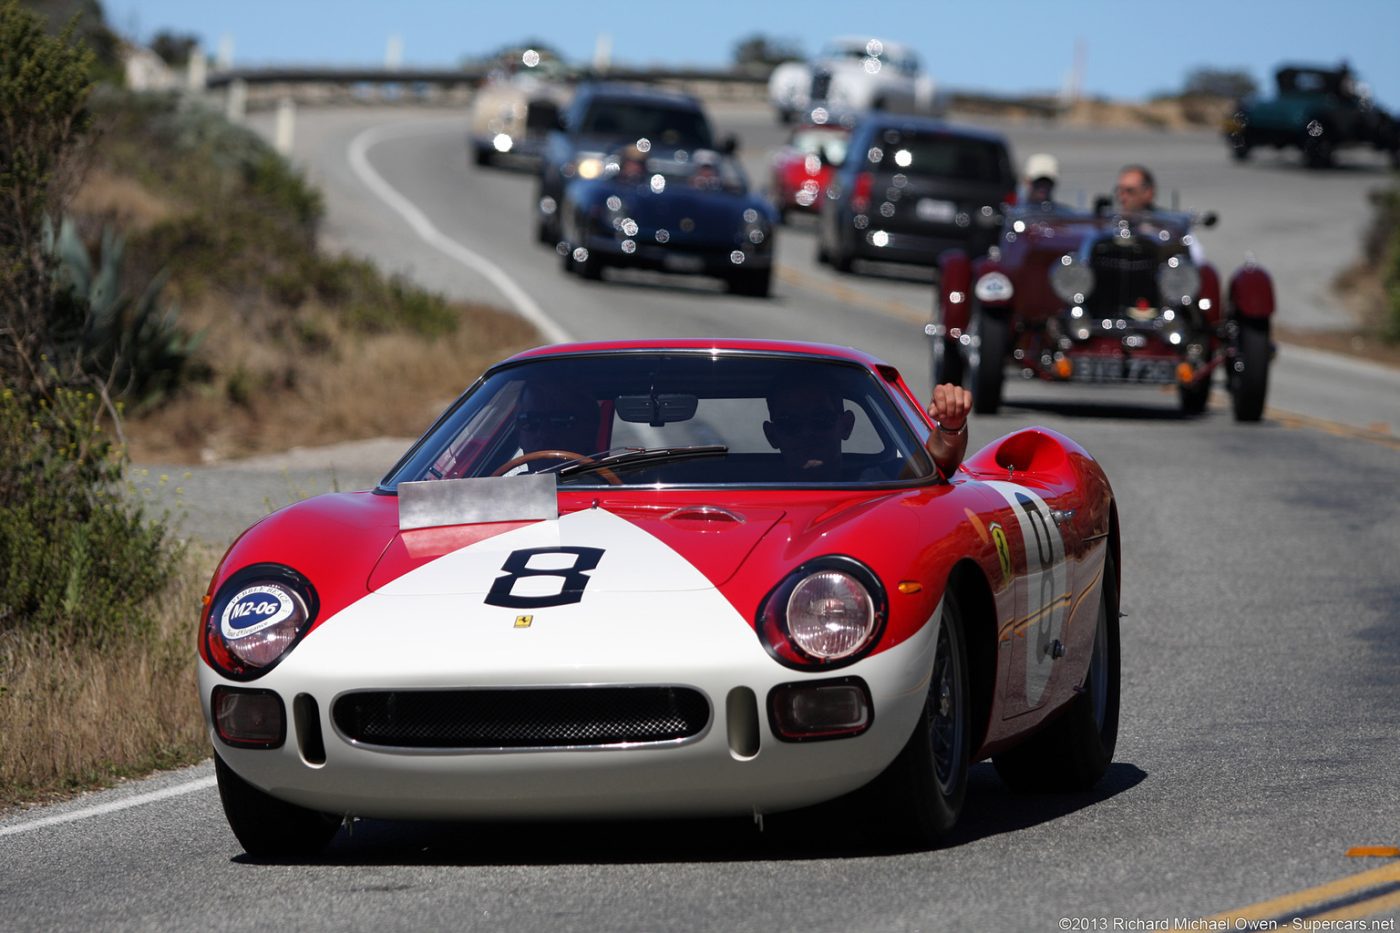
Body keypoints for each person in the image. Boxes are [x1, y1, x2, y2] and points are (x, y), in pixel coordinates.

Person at [762, 380, 971, 482]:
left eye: (821, 420)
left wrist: (950, 424)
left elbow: (935, 464)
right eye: (791, 423)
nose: (807, 432)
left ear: (846, 425)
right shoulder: (741, 493)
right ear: (772, 435)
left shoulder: (878, 484)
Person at [503, 380, 602, 474]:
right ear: (518, 432)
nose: (544, 433)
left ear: (589, 430)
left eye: (561, 420)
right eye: (530, 420)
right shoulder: (505, 490)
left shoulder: (611, 487)